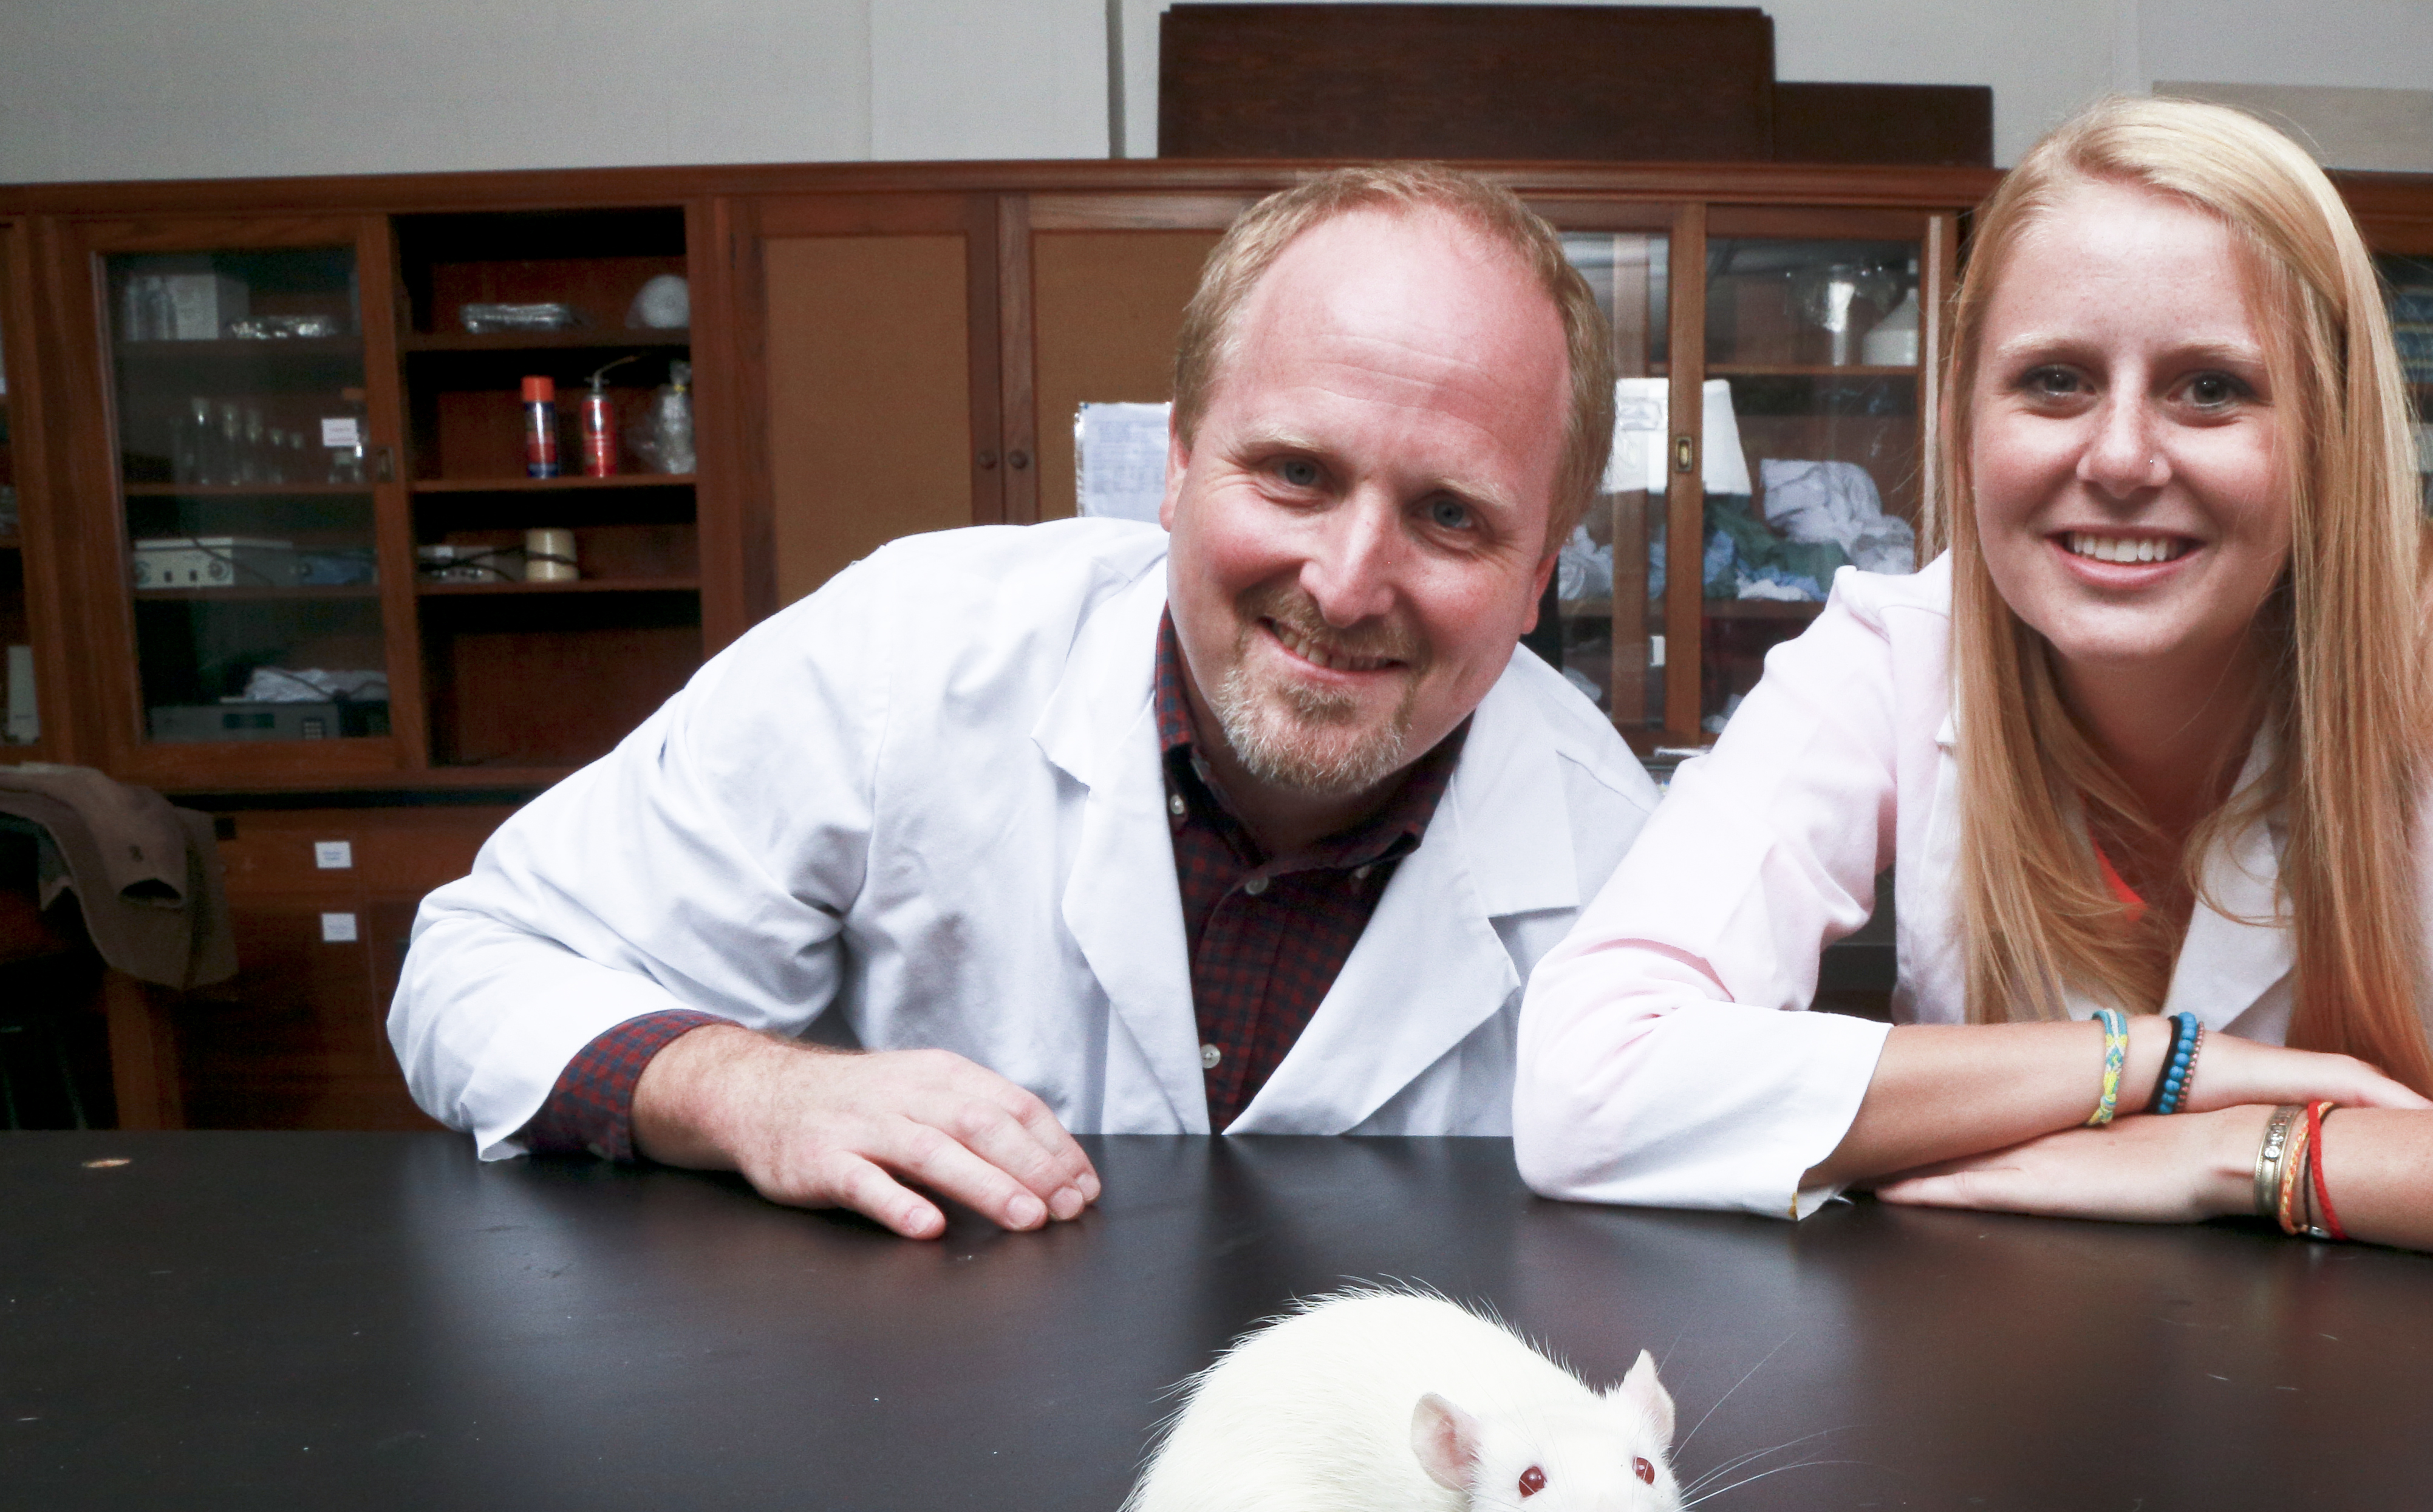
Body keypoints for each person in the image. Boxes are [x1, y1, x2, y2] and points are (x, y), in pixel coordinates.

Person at [1515, 99, 2433, 1312]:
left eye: (2210, 387)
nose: (2121, 454)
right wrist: (2150, 1069)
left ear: (2327, 431)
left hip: (2410, 1442)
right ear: (1964, 418)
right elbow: (1590, 1080)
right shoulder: (1895, 649)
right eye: (2053, 381)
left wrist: (2256, 1155)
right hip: (1996, 1410)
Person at [392, 167, 1656, 1241]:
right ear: (1172, 466)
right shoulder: (915, 653)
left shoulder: (1628, 870)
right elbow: (477, 967)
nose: (1344, 579)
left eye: (1450, 515)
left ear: (1540, 572)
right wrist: (742, 1089)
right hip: (916, 1427)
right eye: (1292, 471)